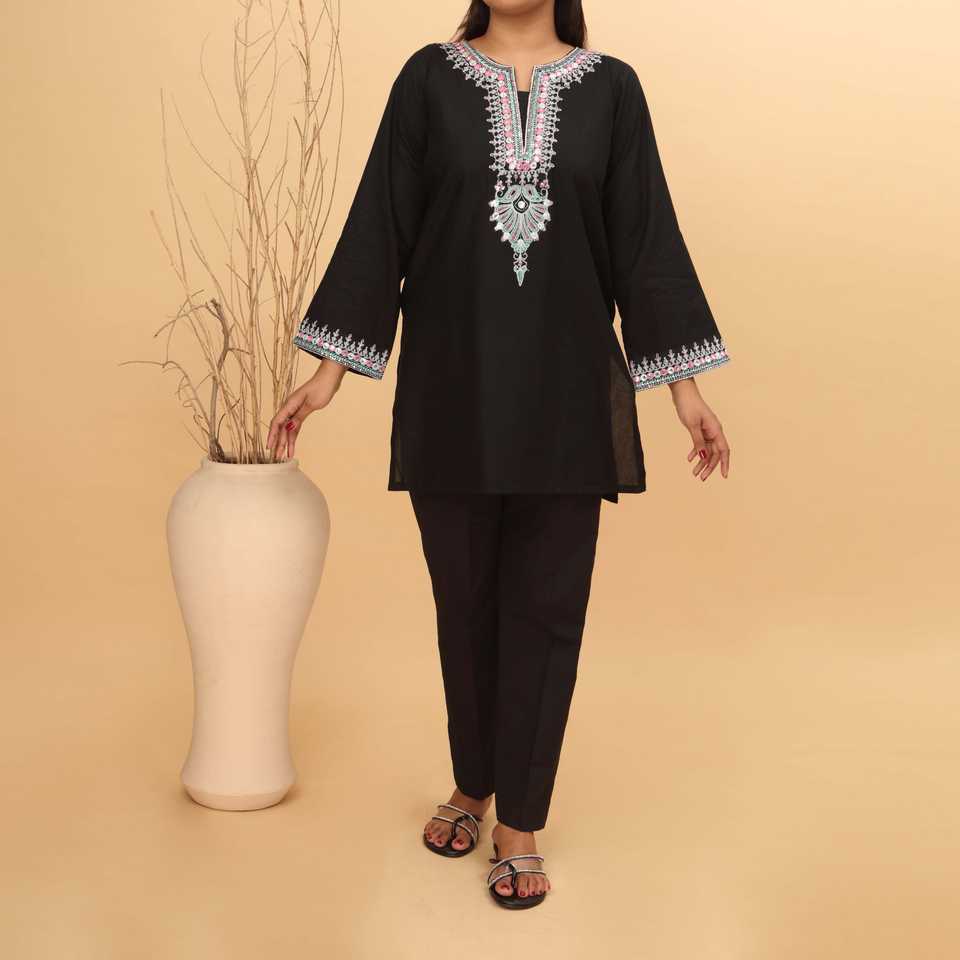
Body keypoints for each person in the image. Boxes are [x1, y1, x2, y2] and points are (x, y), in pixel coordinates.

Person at [267, 0, 732, 910]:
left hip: (567, 400)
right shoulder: (428, 80)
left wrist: (685, 391)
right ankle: (473, 781)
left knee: (547, 610)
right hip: (452, 393)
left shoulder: (612, 91)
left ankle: (519, 821)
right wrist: (328, 375)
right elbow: (381, 227)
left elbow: (646, 242)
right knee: (465, 603)